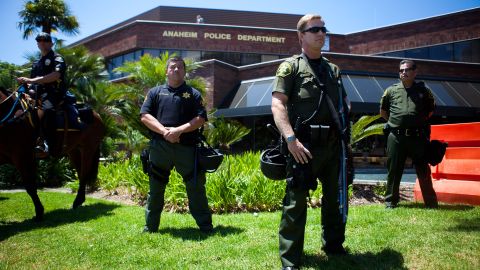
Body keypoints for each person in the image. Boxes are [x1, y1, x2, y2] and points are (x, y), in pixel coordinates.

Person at [271, 14, 351, 269]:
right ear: (301, 35)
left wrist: (344, 139)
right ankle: (290, 260)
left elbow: (343, 105)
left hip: (330, 147)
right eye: (314, 29)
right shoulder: (290, 67)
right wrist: (291, 139)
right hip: (301, 147)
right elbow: (277, 104)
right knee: (295, 204)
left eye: (323, 29)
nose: (321, 33)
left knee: (334, 200)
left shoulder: (333, 70)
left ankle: (334, 246)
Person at [140, 56, 213, 233]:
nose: (176, 70)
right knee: (155, 188)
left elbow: (200, 118)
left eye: (180, 67)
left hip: (186, 148)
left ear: (184, 71)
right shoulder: (155, 92)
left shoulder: (193, 94)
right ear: (166, 71)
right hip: (160, 147)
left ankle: (205, 226)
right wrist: (165, 132)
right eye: (173, 67)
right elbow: (145, 116)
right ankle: (150, 227)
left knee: (195, 187)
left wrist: (178, 131)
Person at [380, 59, 438, 209]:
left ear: (415, 72)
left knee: (423, 170)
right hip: (396, 137)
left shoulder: (424, 91)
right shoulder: (390, 90)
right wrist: (397, 123)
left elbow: (430, 110)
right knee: (393, 170)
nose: (403, 72)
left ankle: (431, 204)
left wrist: (415, 121)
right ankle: (390, 203)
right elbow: (383, 112)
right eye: (401, 70)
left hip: (417, 137)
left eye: (407, 69)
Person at [16, 32, 67, 155]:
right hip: (37, 94)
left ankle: (47, 145)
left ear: (51, 43)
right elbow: (32, 83)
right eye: (39, 40)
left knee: (46, 109)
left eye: (45, 40)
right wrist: (26, 84)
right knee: (18, 108)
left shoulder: (57, 58)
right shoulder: (36, 63)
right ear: (37, 43)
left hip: (55, 93)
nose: (42, 42)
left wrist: (32, 80)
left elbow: (56, 75)